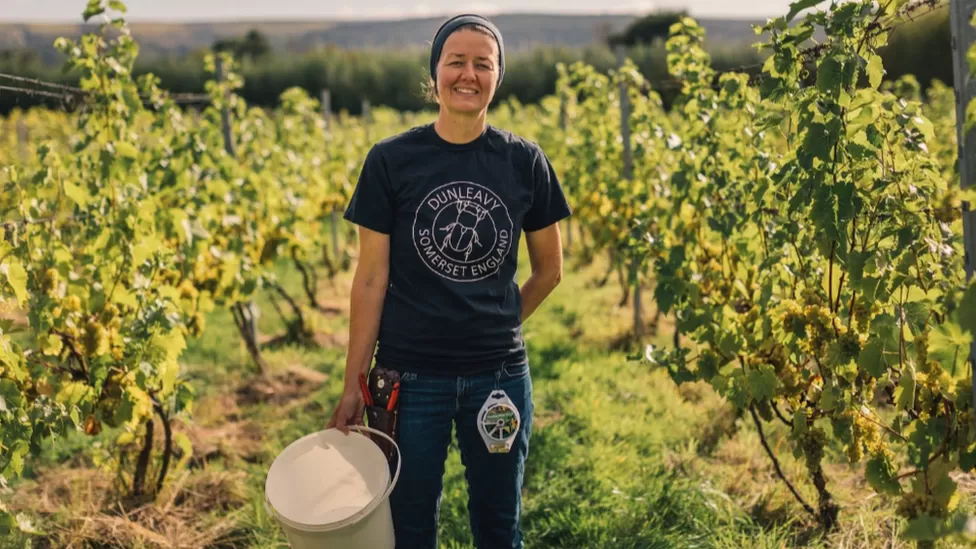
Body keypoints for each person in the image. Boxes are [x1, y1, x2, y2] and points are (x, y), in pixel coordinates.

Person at [326, 13, 570, 549]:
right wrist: (353, 383)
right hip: (409, 381)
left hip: (498, 379)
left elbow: (550, 269)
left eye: (483, 63)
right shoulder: (391, 161)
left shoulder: (524, 161)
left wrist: (496, 322)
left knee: (498, 525)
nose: (468, 73)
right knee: (409, 528)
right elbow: (370, 279)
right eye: (455, 60)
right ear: (434, 72)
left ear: (497, 76)